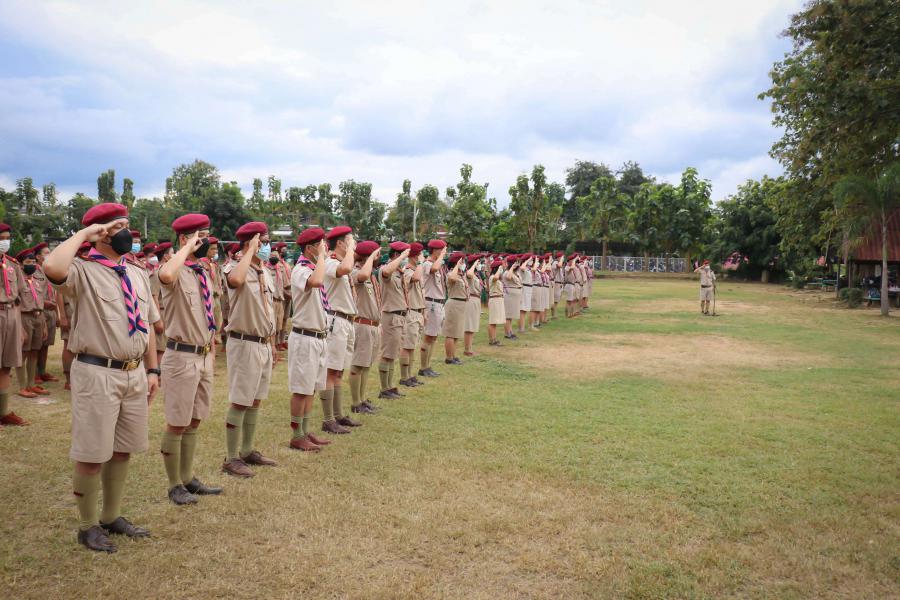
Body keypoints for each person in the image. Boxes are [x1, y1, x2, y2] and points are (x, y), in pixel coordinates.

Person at [43, 202, 161, 553]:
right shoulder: (82, 270)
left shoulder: (135, 272)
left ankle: (111, 516)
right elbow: (52, 268)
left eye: (126, 225)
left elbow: (147, 325)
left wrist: (153, 369)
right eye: (119, 226)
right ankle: (87, 526)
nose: (128, 233)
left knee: (122, 450)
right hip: (97, 372)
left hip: (133, 373)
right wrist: (83, 234)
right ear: (102, 233)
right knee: (92, 454)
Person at [156, 214, 223, 505]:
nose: (205, 241)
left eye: (206, 235)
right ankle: (174, 485)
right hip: (181, 355)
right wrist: (184, 249)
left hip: (203, 354)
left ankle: (187, 477)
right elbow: (166, 276)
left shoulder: (201, 271)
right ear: (185, 239)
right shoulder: (173, 269)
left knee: (194, 420)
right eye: (200, 236)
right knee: (177, 422)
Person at [220, 222, 279, 476]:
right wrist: (249, 251)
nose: (267, 246)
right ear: (249, 243)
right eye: (262, 241)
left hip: (263, 342)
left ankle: (247, 450)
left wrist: (272, 343)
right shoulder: (235, 267)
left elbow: (268, 309)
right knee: (240, 400)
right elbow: (235, 281)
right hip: (244, 342)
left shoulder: (263, 271)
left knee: (255, 399)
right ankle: (231, 458)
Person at [287, 227, 333, 451]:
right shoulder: (301, 270)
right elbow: (316, 282)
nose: (324, 248)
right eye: (321, 244)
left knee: (312, 387)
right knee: (301, 388)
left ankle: (305, 430)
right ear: (310, 248)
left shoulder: (314, 268)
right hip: (305, 336)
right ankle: (297, 435)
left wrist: (321, 258)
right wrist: (322, 257)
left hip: (318, 336)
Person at [321, 225, 361, 433]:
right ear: (340, 243)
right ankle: (328, 419)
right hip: (335, 320)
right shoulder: (330, 262)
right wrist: (351, 249)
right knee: (330, 371)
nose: (353, 244)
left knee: (339, 371)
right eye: (350, 240)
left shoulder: (340, 262)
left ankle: (338, 415)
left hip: (345, 321)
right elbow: (345, 269)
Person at [348, 241, 381, 414]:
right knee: (358, 365)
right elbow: (362, 275)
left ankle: (362, 399)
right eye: (377, 254)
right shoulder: (356, 271)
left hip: (373, 325)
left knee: (366, 364)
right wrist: (370, 258)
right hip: (362, 324)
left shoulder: (372, 275)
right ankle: (356, 403)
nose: (379, 257)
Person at [56, 242, 91, 391]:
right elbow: (58, 293)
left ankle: (81, 378)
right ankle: (68, 379)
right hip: (70, 310)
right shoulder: (72, 266)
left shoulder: (92, 266)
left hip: (86, 311)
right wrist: (63, 316)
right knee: (68, 345)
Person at [378, 241, 411, 398]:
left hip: (400, 316)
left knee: (393, 354)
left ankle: (389, 386)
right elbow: (386, 271)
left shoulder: (399, 272)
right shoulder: (387, 269)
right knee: (387, 353)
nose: (406, 258)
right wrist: (401, 257)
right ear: (397, 255)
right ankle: (384, 389)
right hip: (391, 315)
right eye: (405, 255)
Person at [15, 248, 47, 398]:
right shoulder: (18, 282)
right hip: (24, 317)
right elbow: (16, 304)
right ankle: (22, 387)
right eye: (28, 262)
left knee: (35, 351)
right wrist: (20, 327)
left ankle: (31, 384)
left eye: (34, 262)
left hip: (38, 317)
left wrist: (44, 323)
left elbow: (40, 302)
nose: (32, 264)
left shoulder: (37, 281)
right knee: (24, 352)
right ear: (21, 265)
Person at [32, 242, 60, 385]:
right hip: (39, 311)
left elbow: (56, 293)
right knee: (37, 344)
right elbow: (32, 293)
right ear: (38, 257)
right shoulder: (33, 272)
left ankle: (42, 372)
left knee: (46, 344)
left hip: (51, 311)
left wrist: (58, 314)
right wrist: (44, 303)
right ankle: (35, 374)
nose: (49, 255)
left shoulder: (50, 271)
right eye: (46, 253)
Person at [418, 240, 447, 378]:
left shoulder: (436, 264)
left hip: (438, 302)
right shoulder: (427, 264)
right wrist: (441, 256)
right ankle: (423, 367)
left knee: (433, 337)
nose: (443, 252)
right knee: (429, 336)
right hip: (431, 303)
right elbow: (434, 269)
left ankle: (427, 366)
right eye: (441, 249)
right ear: (435, 250)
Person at [399, 242, 426, 387]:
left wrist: (424, 312)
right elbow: (415, 278)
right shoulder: (408, 270)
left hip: (418, 311)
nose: (422, 257)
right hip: (411, 312)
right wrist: (420, 263)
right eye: (420, 254)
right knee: (407, 346)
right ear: (415, 256)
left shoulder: (416, 270)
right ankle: (404, 377)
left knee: (413, 345)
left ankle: (410, 374)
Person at [149, 242, 173, 366]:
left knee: (168, 346)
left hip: (170, 313)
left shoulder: (168, 271)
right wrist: (158, 320)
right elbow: (154, 297)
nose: (174, 256)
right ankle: (159, 373)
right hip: (162, 313)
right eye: (172, 253)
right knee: (161, 348)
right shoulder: (157, 273)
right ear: (166, 256)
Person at [442, 252, 468, 364]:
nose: (464, 263)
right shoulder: (450, 274)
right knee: (451, 332)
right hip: (454, 304)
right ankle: (449, 358)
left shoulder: (461, 275)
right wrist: (457, 264)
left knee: (456, 332)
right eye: (462, 261)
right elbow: (452, 278)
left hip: (461, 304)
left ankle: (453, 355)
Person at [463, 254, 482, 356]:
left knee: (473, 325)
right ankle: (467, 350)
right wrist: (474, 264)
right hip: (471, 299)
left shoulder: (476, 274)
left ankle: (470, 348)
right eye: (478, 262)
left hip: (476, 299)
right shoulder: (469, 273)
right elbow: (469, 274)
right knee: (469, 326)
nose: (479, 264)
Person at [503, 255, 522, 339]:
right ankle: (508, 333)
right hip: (509, 296)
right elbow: (509, 277)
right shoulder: (507, 272)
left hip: (515, 296)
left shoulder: (516, 273)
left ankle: (510, 331)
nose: (518, 264)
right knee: (508, 315)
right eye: (516, 263)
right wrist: (511, 268)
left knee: (511, 316)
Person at [486, 259, 505, 346]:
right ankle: (492, 340)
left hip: (498, 299)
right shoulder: (492, 277)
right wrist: (499, 270)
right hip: (494, 300)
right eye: (500, 268)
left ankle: (494, 339)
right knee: (492, 321)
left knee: (495, 321)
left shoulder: (497, 278)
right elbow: (495, 278)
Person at [518, 254, 533, 333]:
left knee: (525, 310)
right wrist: (527, 260)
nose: (532, 261)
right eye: (531, 260)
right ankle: (521, 329)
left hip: (528, 289)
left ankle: (522, 327)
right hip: (524, 289)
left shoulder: (528, 268)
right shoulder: (523, 267)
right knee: (522, 310)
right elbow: (522, 267)